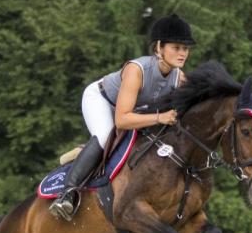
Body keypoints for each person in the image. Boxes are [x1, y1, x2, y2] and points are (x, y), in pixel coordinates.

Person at [49, 13, 196, 220]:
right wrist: (159, 118)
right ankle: (67, 193)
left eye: (185, 49)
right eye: (176, 47)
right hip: (102, 101)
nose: (182, 53)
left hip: (133, 112)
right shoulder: (137, 70)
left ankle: (85, 152)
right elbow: (122, 120)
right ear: (159, 47)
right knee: (104, 135)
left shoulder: (178, 77)